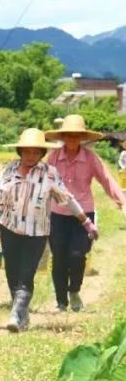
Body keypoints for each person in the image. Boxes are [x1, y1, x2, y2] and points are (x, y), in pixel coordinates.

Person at [0, 128, 96, 331]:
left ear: (41, 153)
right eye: (27, 152)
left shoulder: (49, 174)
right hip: (9, 229)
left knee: (26, 274)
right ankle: (22, 315)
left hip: (36, 233)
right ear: (20, 151)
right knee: (12, 274)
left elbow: (67, 199)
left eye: (36, 152)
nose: (31, 156)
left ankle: (15, 315)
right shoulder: (8, 171)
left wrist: (85, 221)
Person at [44, 115, 126, 311]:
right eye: (68, 135)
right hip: (58, 215)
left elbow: (107, 180)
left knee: (78, 254)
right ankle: (61, 301)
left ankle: (74, 290)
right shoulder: (53, 158)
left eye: (76, 135)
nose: (72, 139)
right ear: (63, 137)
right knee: (59, 257)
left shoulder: (90, 158)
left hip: (83, 216)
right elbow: (43, 183)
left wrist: (121, 202)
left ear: (82, 137)